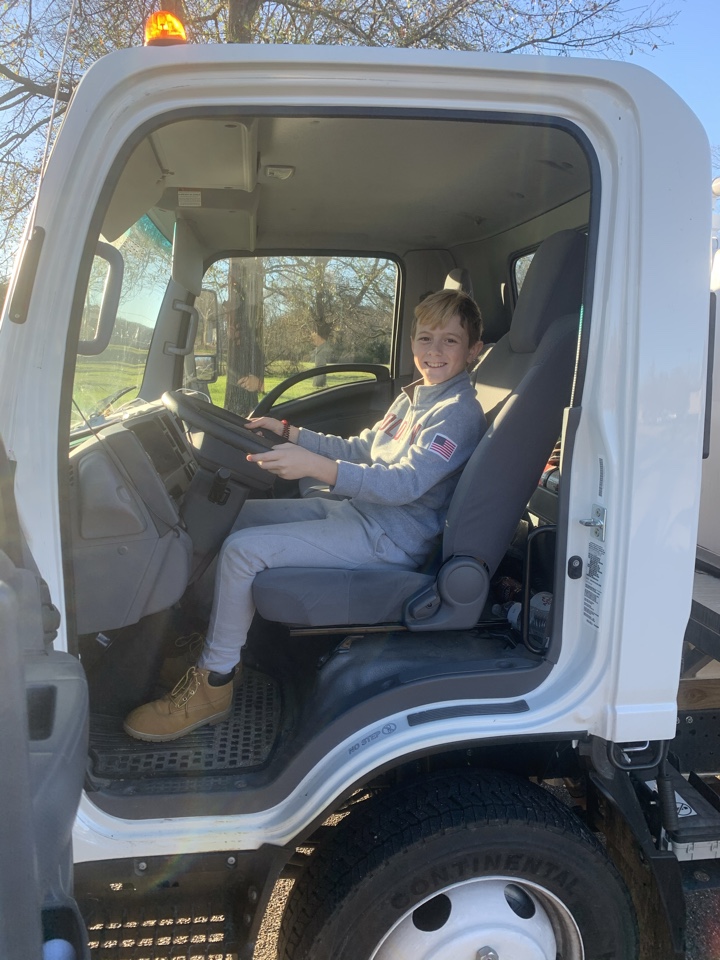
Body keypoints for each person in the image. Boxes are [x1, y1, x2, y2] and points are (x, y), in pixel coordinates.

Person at [124, 289, 486, 742]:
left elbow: (405, 484)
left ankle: (213, 684)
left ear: (473, 349)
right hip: (359, 513)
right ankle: (212, 641)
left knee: (241, 550)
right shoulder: (416, 398)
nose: (434, 351)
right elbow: (361, 448)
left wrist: (316, 468)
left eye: (450, 341)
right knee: (236, 516)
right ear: (412, 341)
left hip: (389, 538)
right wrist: (289, 433)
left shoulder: (457, 414)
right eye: (425, 338)